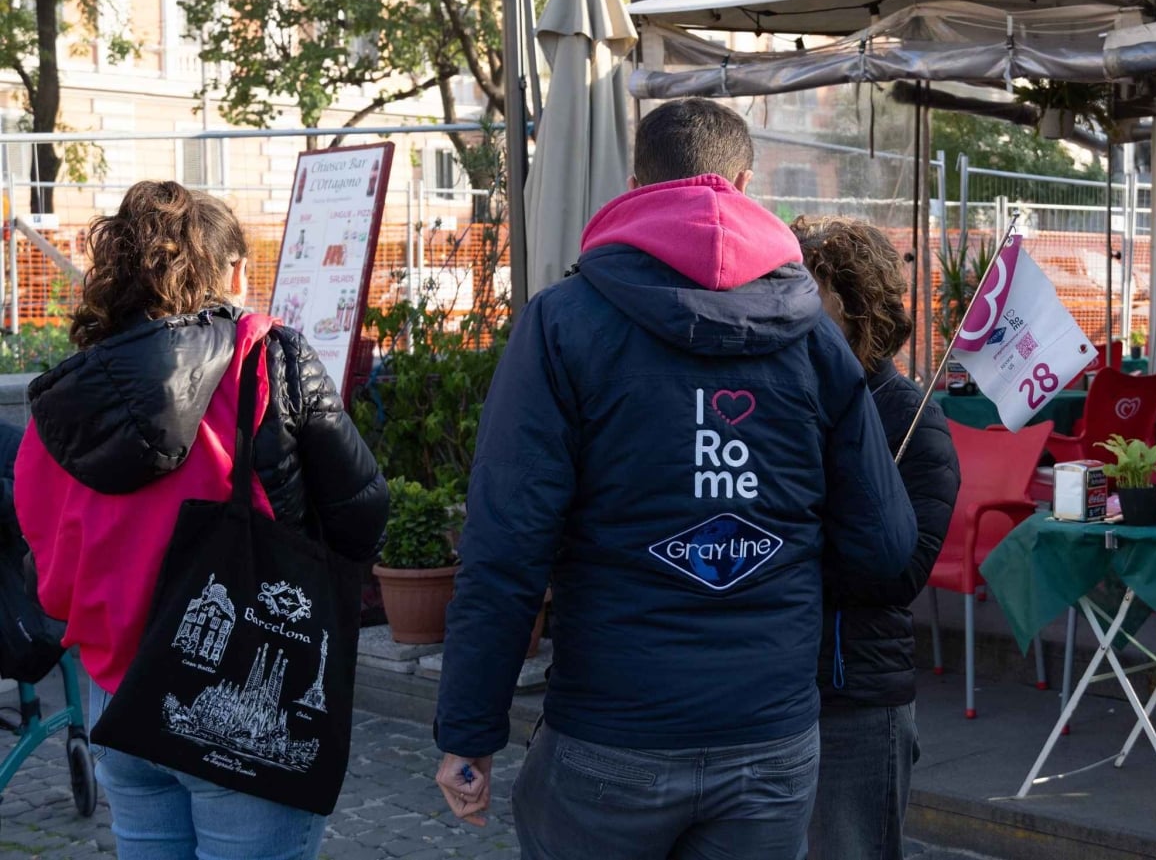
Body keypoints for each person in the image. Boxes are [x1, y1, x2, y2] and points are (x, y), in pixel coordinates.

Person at [434, 97, 918, 859]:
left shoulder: (562, 324)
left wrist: (470, 729)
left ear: (635, 186)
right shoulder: (814, 340)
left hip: (610, 736)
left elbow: (506, 544)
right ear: (745, 184)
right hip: (767, 737)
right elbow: (885, 545)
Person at [15, 180, 388, 860]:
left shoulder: (67, 394)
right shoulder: (268, 359)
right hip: (242, 702)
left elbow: (46, 560)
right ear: (233, 271)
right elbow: (362, 515)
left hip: (118, 696)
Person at [791, 217, 959, 860]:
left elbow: (899, 573)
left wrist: (787, 548)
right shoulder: (785, 399)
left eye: (812, 304)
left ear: (859, 312)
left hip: (853, 699)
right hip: (769, 688)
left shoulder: (913, 421)